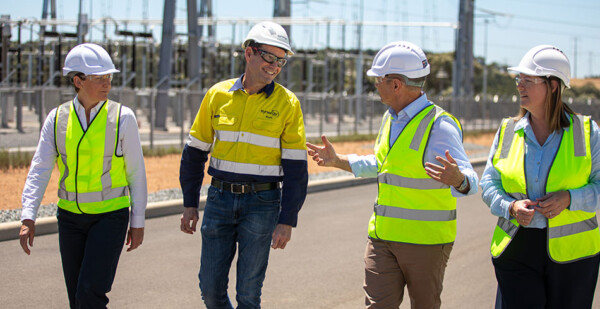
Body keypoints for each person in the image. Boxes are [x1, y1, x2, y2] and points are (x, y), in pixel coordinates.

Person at [307, 41, 478, 309]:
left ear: (396, 84)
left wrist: (458, 179)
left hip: (426, 243)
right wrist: (337, 160)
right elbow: (381, 164)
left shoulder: (440, 126)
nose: (375, 85)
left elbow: (471, 181)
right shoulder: (390, 118)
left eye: (378, 79)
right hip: (382, 239)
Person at [179, 21, 308, 309]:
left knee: (249, 295)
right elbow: (194, 153)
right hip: (219, 199)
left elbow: (297, 170)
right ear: (249, 53)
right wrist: (189, 203)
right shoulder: (217, 95)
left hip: (262, 203)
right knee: (210, 291)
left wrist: (287, 220)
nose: (275, 66)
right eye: (269, 57)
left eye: (281, 60)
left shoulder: (288, 104)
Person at [18, 43, 148, 308]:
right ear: (78, 81)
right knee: (76, 299)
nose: (107, 84)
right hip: (69, 220)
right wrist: (28, 215)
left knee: (89, 295)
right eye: (99, 78)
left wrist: (138, 220)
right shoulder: (56, 119)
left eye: (109, 77)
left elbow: (136, 173)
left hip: (110, 218)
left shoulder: (124, 118)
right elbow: (40, 168)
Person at [481, 45, 600, 308]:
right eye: (518, 79)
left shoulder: (588, 132)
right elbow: (489, 183)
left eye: (528, 80)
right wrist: (509, 207)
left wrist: (570, 198)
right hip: (516, 249)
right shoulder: (508, 130)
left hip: (574, 258)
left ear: (554, 86)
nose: (520, 86)